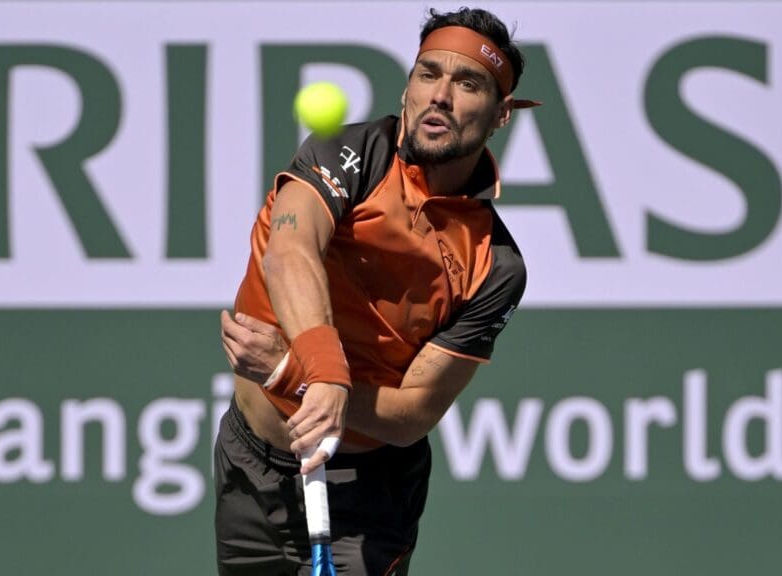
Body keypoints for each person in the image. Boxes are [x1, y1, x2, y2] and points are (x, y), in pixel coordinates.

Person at [215, 6, 539, 575]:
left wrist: (295, 374)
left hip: (365, 497)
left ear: (500, 114)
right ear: (408, 87)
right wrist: (324, 372)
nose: (441, 96)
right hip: (249, 469)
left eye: (468, 84)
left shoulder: (496, 265)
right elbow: (290, 252)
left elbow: (414, 412)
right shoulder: (347, 152)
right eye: (428, 74)